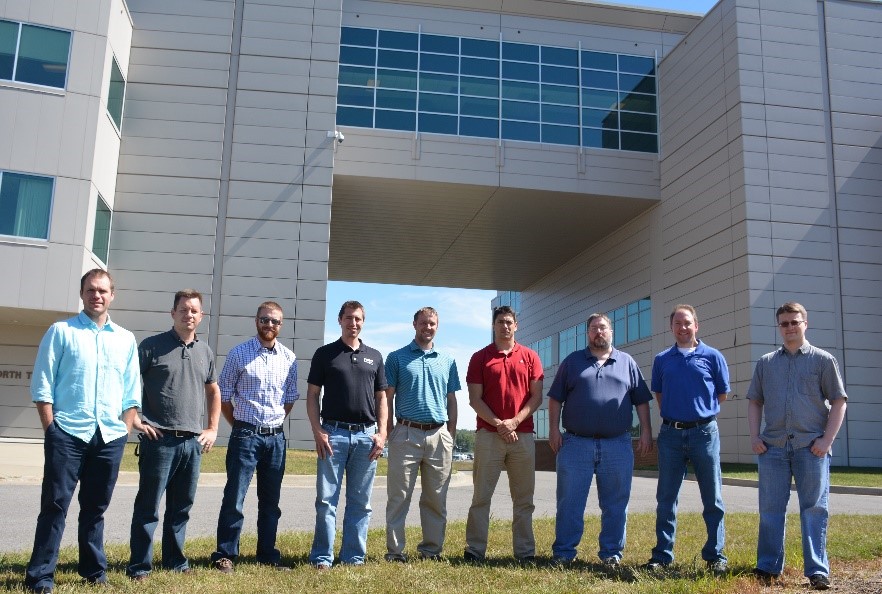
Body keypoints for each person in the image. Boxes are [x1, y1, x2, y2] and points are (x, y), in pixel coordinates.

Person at [25, 268, 140, 593]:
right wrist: (52, 430)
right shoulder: (61, 332)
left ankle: (93, 572)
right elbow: (42, 384)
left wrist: (125, 429)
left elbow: (132, 390)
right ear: (82, 293)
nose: (97, 295)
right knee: (55, 506)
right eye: (91, 290)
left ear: (112, 295)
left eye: (103, 290)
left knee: (95, 509)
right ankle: (40, 577)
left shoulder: (125, 339)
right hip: (68, 435)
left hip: (109, 438)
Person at [747, 302, 847, 591]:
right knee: (770, 509)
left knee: (814, 509)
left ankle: (817, 570)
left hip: (811, 448)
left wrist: (826, 441)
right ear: (779, 327)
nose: (790, 327)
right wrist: (755, 437)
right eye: (784, 323)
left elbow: (839, 401)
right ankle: (767, 566)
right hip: (773, 448)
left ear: (806, 323)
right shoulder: (766, 363)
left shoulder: (823, 360)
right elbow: (755, 400)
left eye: (795, 322)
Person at [127, 289, 221, 580]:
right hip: (159, 441)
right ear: (173, 313)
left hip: (192, 443)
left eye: (194, 310)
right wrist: (134, 419)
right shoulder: (151, 346)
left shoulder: (205, 351)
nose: (188, 315)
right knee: (149, 507)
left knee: (181, 508)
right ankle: (140, 566)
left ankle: (175, 563)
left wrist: (213, 428)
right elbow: (128, 382)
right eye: (183, 310)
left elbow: (213, 390)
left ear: (201, 316)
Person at [548, 313, 653, 566]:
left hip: (617, 444)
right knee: (570, 502)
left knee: (616, 503)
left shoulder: (627, 362)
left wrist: (647, 432)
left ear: (611, 332)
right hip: (575, 443)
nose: (599, 332)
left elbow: (641, 401)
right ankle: (564, 553)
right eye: (594, 328)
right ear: (588, 333)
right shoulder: (572, 362)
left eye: (603, 328)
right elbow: (555, 399)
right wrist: (553, 430)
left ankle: (611, 554)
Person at [210, 301, 299, 572]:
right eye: (264, 320)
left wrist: (275, 422)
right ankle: (225, 554)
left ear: (280, 325)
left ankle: (267, 554)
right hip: (245, 435)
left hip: (275, 439)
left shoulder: (289, 358)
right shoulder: (239, 354)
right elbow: (223, 395)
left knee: (270, 501)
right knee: (235, 497)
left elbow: (290, 399)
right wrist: (237, 423)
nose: (269, 325)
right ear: (256, 321)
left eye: (275, 321)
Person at [645, 304, 729, 575]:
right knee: (666, 497)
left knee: (712, 496)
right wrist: (676, 416)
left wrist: (699, 414)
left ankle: (715, 556)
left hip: (704, 433)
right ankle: (662, 555)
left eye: (688, 323)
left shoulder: (713, 357)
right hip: (670, 435)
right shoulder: (662, 359)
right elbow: (659, 394)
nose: (683, 327)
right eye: (678, 323)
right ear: (671, 328)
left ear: (697, 325)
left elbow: (721, 395)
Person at [307, 300, 388, 569]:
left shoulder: (375, 356)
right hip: (333, 435)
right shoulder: (325, 354)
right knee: (326, 501)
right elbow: (312, 396)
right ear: (339, 320)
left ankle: (353, 557)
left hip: (366, 437)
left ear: (363, 322)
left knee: (361, 503)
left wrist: (382, 433)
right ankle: (322, 557)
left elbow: (381, 399)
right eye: (349, 318)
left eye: (358, 319)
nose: (353, 323)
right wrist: (318, 430)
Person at [464, 305, 543, 563]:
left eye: (509, 321)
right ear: (493, 325)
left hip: (523, 436)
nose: (505, 326)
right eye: (500, 321)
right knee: (481, 497)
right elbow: (475, 400)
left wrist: (515, 421)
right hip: (489, 435)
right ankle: (474, 551)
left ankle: (525, 553)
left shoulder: (531, 357)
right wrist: (500, 423)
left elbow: (537, 396)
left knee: (524, 499)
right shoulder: (480, 357)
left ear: (516, 326)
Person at [384, 307, 461, 562]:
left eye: (432, 324)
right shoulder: (396, 358)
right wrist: (388, 430)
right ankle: (395, 552)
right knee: (399, 496)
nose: (428, 327)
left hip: (439, 435)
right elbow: (388, 397)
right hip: (405, 433)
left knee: (436, 499)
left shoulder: (448, 360)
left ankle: (431, 550)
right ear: (414, 324)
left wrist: (450, 433)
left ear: (437, 326)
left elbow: (452, 400)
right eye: (423, 323)